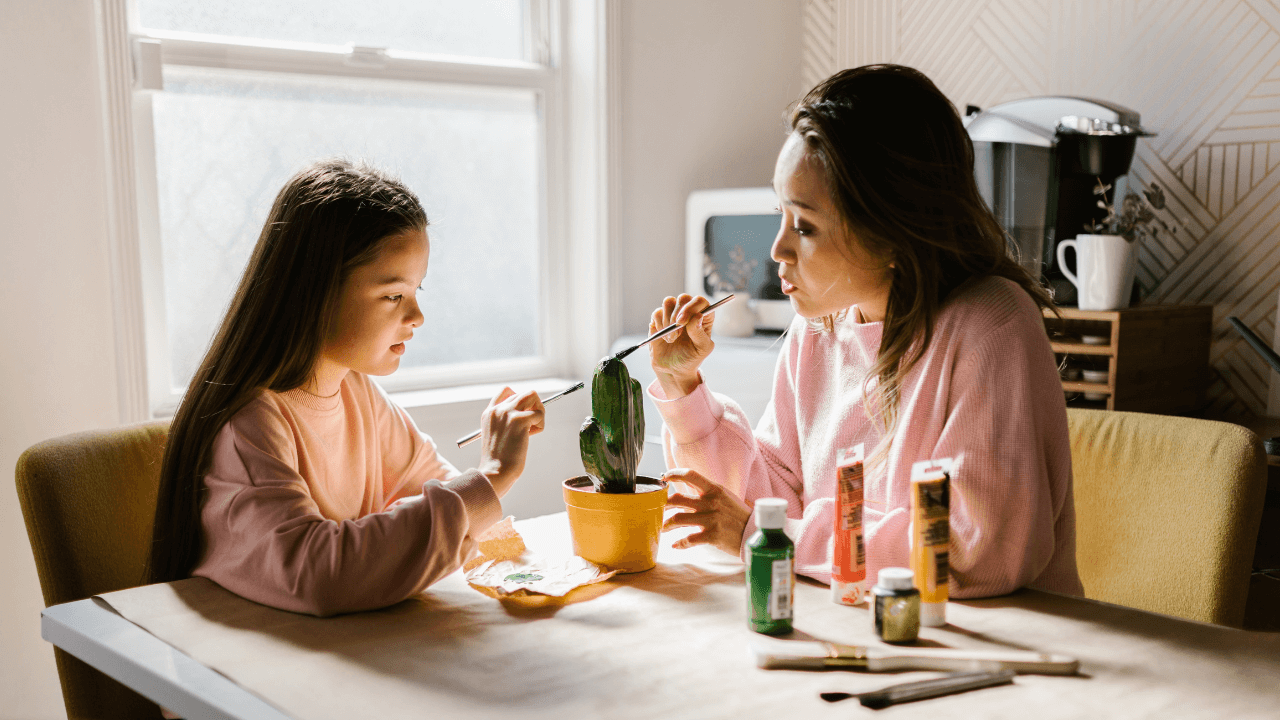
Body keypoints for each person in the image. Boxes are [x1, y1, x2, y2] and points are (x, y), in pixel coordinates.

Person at [648, 65, 1083, 599]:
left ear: (892, 230)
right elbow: (774, 498)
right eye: (779, 215)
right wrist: (686, 390)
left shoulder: (991, 325)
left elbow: (975, 550)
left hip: (999, 653)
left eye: (804, 226)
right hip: (857, 631)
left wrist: (772, 536)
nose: (777, 250)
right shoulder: (819, 328)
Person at [146, 159, 545, 616]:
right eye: (394, 295)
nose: (416, 317)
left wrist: (527, 569)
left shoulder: (357, 392)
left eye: (417, 291)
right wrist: (493, 474)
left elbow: (438, 494)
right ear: (315, 293)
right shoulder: (250, 425)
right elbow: (319, 574)